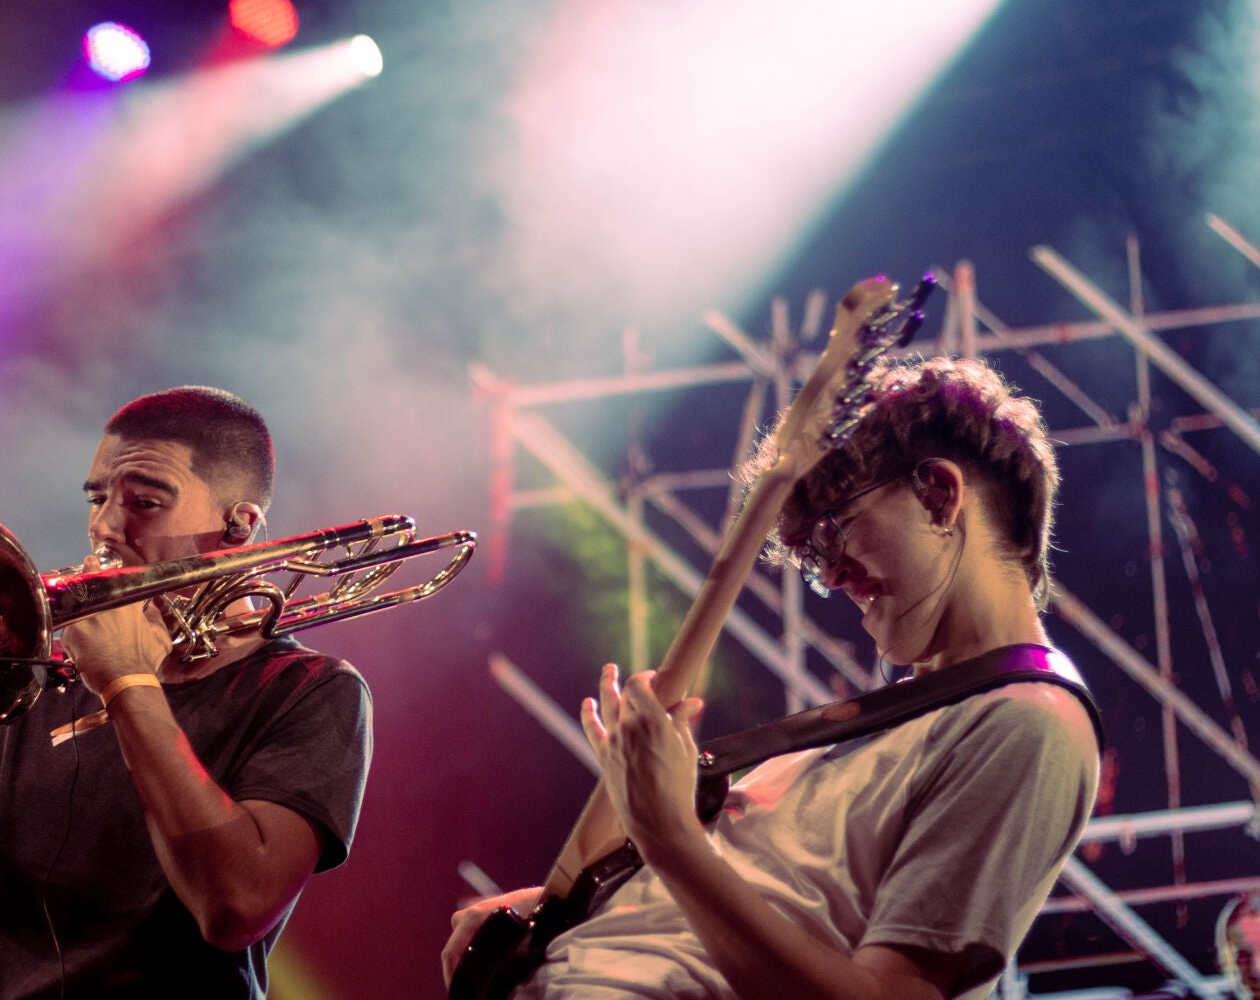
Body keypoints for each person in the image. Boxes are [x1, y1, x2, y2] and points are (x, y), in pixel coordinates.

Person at [443, 355, 1101, 1000]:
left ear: (939, 492)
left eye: (840, 531)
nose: (834, 576)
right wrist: (560, 915)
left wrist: (668, 836)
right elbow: (727, 911)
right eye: (818, 559)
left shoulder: (1028, 723)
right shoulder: (886, 727)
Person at [0, 386, 372, 999]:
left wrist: (128, 683)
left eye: (145, 502)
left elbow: (234, 907)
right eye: (97, 499)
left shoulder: (310, 691)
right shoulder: (43, 674)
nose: (104, 526)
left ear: (240, 524)